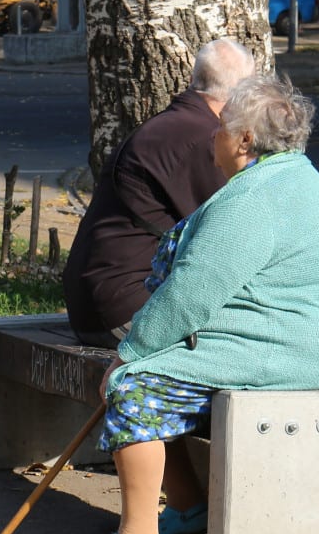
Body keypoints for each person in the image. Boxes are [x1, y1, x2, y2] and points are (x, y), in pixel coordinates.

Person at [65, 77, 319, 534]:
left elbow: (192, 293)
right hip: (289, 341)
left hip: (277, 349)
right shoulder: (297, 177)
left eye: (220, 128)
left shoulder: (255, 198)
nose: (212, 137)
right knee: (157, 367)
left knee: (135, 387)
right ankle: (187, 507)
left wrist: (128, 353)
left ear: (244, 140)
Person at [62, 38, 259, 347]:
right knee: (256, 337)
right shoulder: (205, 140)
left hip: (97, 302)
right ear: (241, 93)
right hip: (126, 311)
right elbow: (238, 233)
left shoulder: (175, 125)